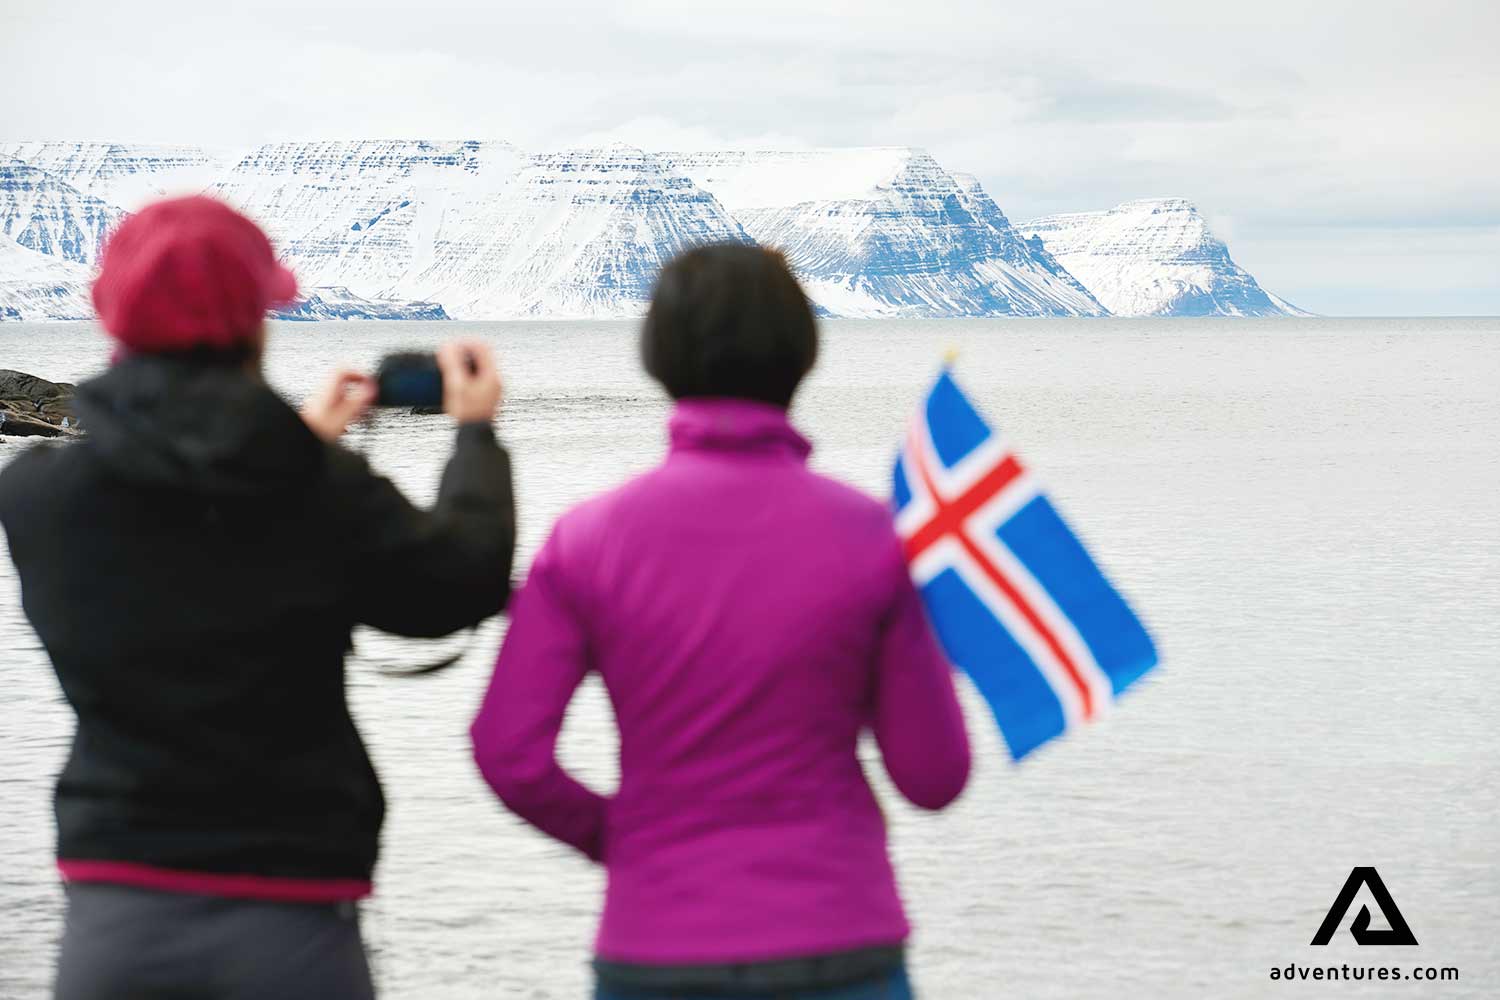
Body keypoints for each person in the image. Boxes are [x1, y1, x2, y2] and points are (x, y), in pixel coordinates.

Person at [0, 196, 515, 1000]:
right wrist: (475, 436)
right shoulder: (317, 490)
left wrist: (295, 447)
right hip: (292, 909)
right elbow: (458, 584)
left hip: (114, 910)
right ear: (256, 321)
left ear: (112, 317)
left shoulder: (35, 495)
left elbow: (184, 531)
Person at [471, 244, 971, 999]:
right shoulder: (871, 536)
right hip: (839, 938)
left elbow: (510, 754)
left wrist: (622, 837)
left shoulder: (586, 541)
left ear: (657, 357)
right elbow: (933, 777)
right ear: (803, 355)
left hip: (657, 943)